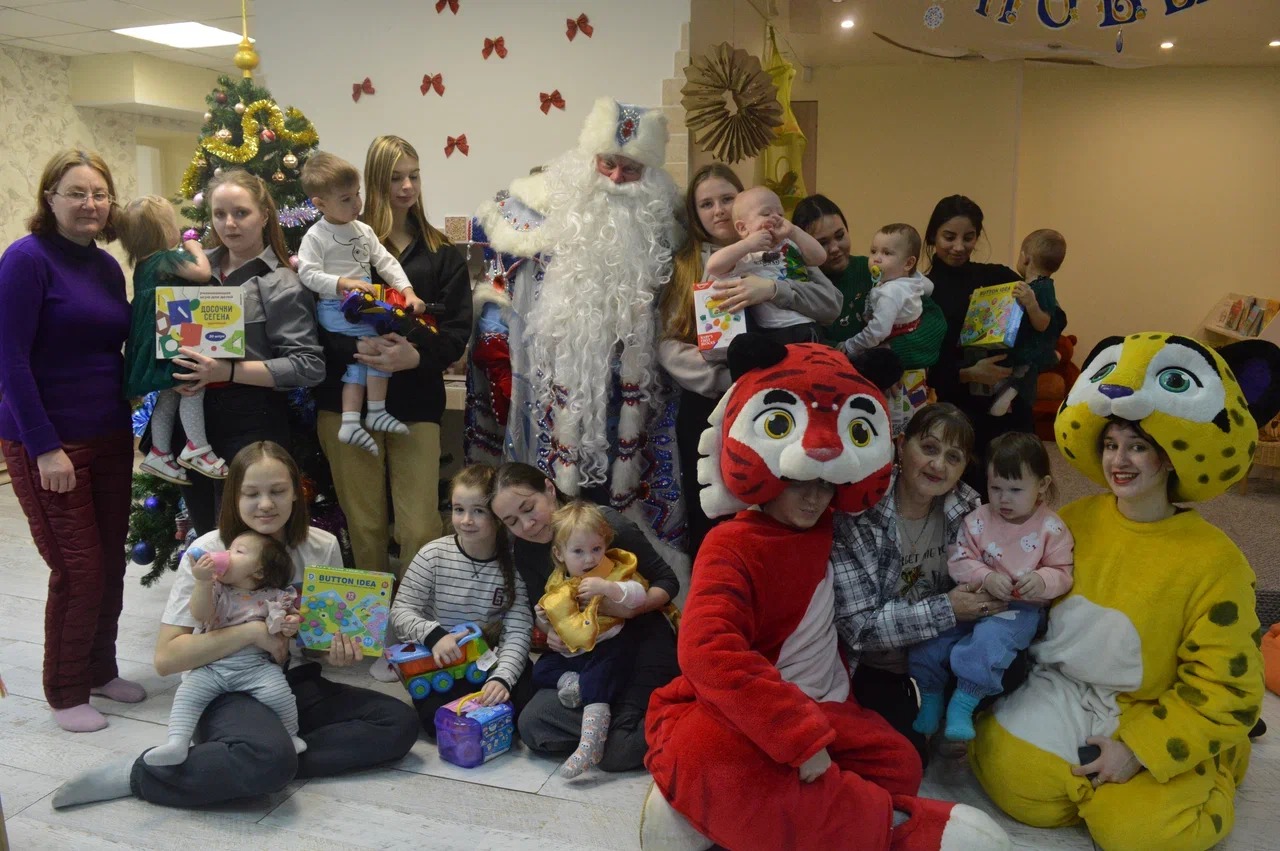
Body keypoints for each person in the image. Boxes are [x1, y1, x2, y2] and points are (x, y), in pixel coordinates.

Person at [640, 336, 1008, 851]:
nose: (815, 497)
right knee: (709, 755)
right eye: (800, 482)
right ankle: (894, 831)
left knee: (901, 764)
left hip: (829, 702)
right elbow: (708, 651)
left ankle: (727, 813)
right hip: (757, 707)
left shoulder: (833, 522)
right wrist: (798, 737)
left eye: (826, 485)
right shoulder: (732, 544)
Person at [971, 332, 1279, 851]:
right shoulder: (1073, 519)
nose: (1120, 460)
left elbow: (1228, 689)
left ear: (1168, 457)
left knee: (1137, 834)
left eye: (1138, 447)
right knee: (1015, 777)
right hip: (1065, 687)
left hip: (1151, 705)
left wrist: (1138, 750)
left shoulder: (1217, 560)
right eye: (1112, 445)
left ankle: (1221, 763)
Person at [51, 440, 420, 809]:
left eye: (278, 491)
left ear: (297, 492)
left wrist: (334, 652)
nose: (266, 504)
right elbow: (167, 658)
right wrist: (251, 632)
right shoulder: (209, 553)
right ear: (234, 497)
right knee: (270, 758)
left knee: (398, 723)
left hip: (289, 684)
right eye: (252, 493)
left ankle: (251, 758)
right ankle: (143, 774)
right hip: (222, 686)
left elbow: (315, 643)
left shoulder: (321, 546)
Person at [470, 97, 685, 546]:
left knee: (623, 526)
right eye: (608, 163)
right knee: (548, 516)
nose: (616, 177)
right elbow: (498, 299)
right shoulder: (538, 212)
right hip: (551, 398)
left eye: (631, 169)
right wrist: (501, 363)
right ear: (591, 158)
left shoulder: (667, 227)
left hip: (634, 405)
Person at [0, 148, 142, 733]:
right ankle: (64, 691)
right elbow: (9, 359)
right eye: (76, 193)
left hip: (109, 434)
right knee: (78, 570)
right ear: (49, 198)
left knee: (109, 564)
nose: (90, 204)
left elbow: (116, 348)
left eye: (99, 194)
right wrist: (43, 445)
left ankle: (100, 670)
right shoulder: (25, 260)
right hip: (51, 442)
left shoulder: (106, 266)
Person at [659, 166, 840, 556]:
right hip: (712, 403)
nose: (719, 211)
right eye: (706, 204)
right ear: (695, 213)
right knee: (713, 513)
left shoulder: (783, 250)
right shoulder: (687, 265)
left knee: (777, 501)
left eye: (727, 199)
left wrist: (773, 289)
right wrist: (734, 383)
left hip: (785, 401)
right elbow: (667, 345)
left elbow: (831, 304)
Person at [315, 135, 471, 580]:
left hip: (416, 404)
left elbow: (456, 334)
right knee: (365, 527)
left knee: (420, 526)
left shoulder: (442, 254)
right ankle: (372, 618)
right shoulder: (338, 243)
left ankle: (413, 614)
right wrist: (360, 349)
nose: (407, 187)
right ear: (374, 182)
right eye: (395, 178)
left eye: (414, 176)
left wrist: (413, 357)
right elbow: (314, 324)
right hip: (346, 402)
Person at [830, 403, 1007, 764]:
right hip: (880, 664)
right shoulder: (859, 514)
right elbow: (859, 629)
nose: (938, 465)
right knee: (909, 759)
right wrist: (948, 609)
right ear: (900, 445)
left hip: (943, 651)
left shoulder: (968, 508)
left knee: (1012, 656)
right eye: (928, 448)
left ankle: (949, 710)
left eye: (953, 457)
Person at [489, 462, 680, 772]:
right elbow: (547, 610)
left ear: (549, 489)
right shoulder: (525, 550)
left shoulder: (603, 522)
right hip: (588, 652)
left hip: (640, 641)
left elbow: (668, 582)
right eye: (511, 521)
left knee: (618, 753)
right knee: (532, 724)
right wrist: (551, 632)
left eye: (529, 508)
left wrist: (630, 608)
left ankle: (651, 716)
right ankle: (612, 717)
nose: (526, 525)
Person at [166, 169, 325, 535]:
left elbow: (308, 366)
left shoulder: (282, 282)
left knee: (246, 540)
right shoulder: (189, 269)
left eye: (241, 213)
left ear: (264, 215)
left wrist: (229, 371)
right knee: (206, 535)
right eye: (219, 214)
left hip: (251, 420)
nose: (229, 224)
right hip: (191, 419)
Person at [908, 432, 1073, 743]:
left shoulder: (1050, 527)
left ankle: (964, 703)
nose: (1003, 499)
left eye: (1015, 489)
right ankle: (930, 696)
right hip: (974, 596)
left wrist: (1041, 580)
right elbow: (959, 559)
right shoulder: (977, 520)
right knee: (931, 639)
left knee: (988, 642)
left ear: (1042, 485)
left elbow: (1063, 572)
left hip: (1019, 609)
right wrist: (984, 576)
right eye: (995, 488)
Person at [388, 464, 533, 735]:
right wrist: (434, 636)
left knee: (525, 709)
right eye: (458, 509)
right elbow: (401, 611)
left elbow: (518, 631)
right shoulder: (432, 555)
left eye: (478, 511)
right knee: (438, 724)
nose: (466, 520)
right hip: (441, 665)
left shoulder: (514, 565)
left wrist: (502, 677)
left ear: (497, 515)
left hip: (489, 661)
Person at [298, 151, 427, 455]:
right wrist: (342, 283)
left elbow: (386, 262)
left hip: (362, 307)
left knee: (373, 353)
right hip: (336, 309)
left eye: (357, 194)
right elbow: (308, 274)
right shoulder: (316, 236)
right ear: (320, 204)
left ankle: (357, 418)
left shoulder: (363, 230)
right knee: (376, 348)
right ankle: (370, 413)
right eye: (346, 199)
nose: (357, 204)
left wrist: (408, 291)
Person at [144, 531, 305, 766]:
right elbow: (201, 614)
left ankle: (291, 735)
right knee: (187, 695)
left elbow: (288, 623)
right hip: (212, 667)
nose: (227, 554)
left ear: (259, 571)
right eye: (228, 549)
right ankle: (177, 743)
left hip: (256, 667)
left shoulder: (275, 596)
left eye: (238, 551)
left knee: (280, 694)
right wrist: (202, 581)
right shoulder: (217, 589)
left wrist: (290, 624)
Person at [534, 501, 649, 777]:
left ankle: (592, 742)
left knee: (599, 675)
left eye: (596, 549)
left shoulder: (611, 571)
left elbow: (639, 595)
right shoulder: (557, 582)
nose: (589, 559)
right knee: (540, 669)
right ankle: (573, 684)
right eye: (578, 552)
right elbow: (555, 623)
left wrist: (608, 588)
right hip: (574, 653)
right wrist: (544, 620)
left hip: (608, 645)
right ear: (559, 554)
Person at [117, 195, 226, 484]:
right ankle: (197, 447)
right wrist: (194, 247)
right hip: (172, 333)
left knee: (168, 394)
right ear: (164, 231)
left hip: (154, 340)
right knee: (192, 386)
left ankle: (159, 452)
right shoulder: (166, 258)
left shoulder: (143, 264)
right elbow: (202, 273)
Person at [920, 195, 1024, 491]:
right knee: (965, 488)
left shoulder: (996, 276)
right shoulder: (922, 290)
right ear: (933, 236)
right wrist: (969, 374)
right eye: (949, 237)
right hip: (956, 410)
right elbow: (926, 367)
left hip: (1007, 401)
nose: (959, 247)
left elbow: (1049, 314)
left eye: (969, 237)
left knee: (1013, 481)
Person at [703, 186, 829, 344]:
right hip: (770, 332)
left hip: (804, 324)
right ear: (743, 228)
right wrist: (747, 244)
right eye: (766, 214)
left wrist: (794, 231)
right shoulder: (745, 256)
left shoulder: (791, 244)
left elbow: (820, 257)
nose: (776, 218)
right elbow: (713, 266)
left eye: (780, 214)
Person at [988, 229, 1068, 418]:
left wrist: (1031, 304)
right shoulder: (1026, 287)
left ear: (1025, 258)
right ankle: (1006, 388)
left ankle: (1013, 390)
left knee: (1025, 371)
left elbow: (1043, 323)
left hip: (1031, 347)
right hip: (1016, 344)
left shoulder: (1044, 287)